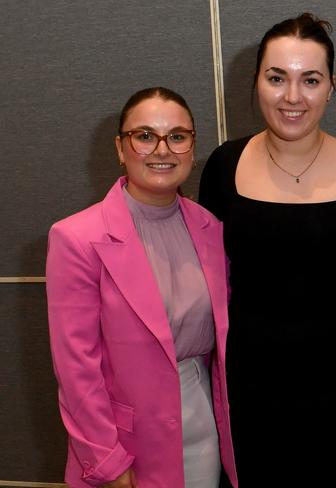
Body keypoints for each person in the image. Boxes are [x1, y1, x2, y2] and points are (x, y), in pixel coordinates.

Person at [198, 13, 336, 487]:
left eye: (310, 80)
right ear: (257, 82)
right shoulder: (223, 166)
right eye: (276, 78)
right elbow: (202, 283)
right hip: (247, 392)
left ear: (330, 87)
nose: (292, 97)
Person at [46, 87, 237, 488]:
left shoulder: (211, 228)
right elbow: (76, 368)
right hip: (125, 444)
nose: (162, 149)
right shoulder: (76, 238)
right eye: (145, 136)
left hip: (204, 428)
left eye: (178, 136)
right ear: (120, 147)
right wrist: (107, 460)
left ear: (192, 146)